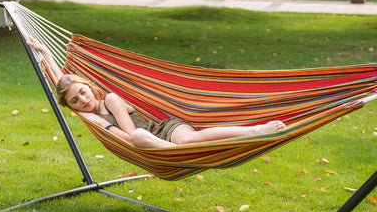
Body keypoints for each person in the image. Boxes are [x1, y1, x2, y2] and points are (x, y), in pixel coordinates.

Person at [27, 37, 287, 148]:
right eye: (76, 101)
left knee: (184, 140)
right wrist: (47, 55)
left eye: (83, 92)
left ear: (88, 85)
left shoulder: (110, 100)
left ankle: (254, 131)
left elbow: (130, 136)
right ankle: (173, 154)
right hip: (148, 144)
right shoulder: (83, 109)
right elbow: (62, 83)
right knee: (144, 137)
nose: (83, 100)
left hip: (162, 130)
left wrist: (98, 121)